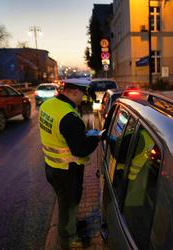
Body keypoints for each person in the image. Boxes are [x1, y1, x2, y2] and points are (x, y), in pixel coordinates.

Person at [38, 79, 100, 249]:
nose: (82, 99)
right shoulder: (70, 117)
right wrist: (96, 138)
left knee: (64, 201)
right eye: (82, 95)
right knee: (69, 204)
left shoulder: (47, 105)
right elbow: (80, 150)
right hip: (67, 172)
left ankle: (71, 224)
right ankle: (68, 238)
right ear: (74, 92)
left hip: (51, 167)